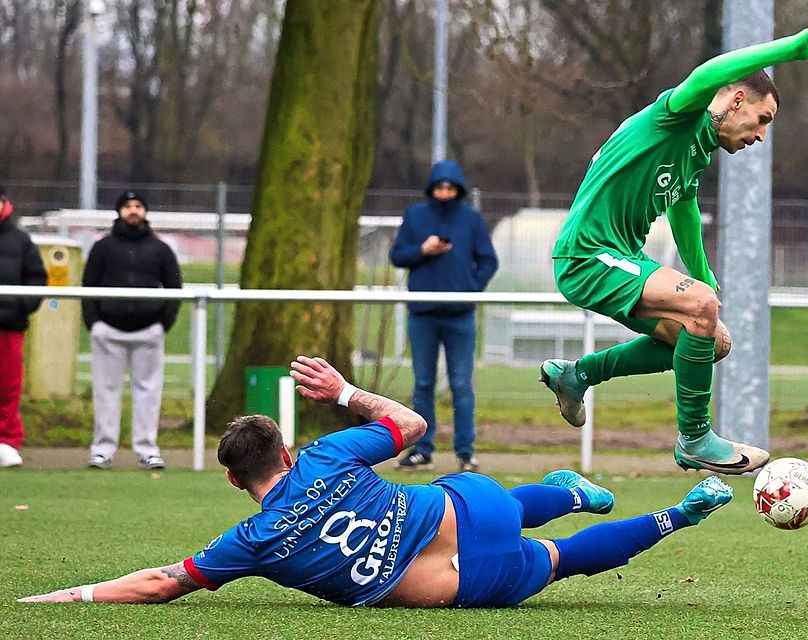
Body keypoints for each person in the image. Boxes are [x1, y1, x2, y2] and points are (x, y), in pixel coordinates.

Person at [18, 355, 733, 608]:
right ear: (291, 452)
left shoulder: (254, 540)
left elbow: (161, 582)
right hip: (462, 507)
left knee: (559, 562)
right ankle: (574, 493)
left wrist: (68, 594)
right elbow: (414, 424)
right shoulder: (326, 458)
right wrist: (345, 392)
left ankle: (683, 513)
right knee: (502, 504)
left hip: (459, 587)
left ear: (236, 483)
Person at [540, 8, 808, 475]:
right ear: (738, 98)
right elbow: (710, 71)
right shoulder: (677, 116)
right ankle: (696, 439)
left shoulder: (696, 146)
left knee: (711, 339)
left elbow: (683, 205)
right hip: (587, 255)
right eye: (762, 119)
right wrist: (795, 46)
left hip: (617, 257)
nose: (762, 136)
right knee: (700, 309)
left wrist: (702, 276)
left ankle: (577, 375)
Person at [389, 160, 498, 472]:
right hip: (422, 314)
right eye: (439, 187)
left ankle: (465, 453)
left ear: (458, 189)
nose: (445, 192)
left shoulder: (471, 220)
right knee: (423, 383)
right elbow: (398, 256)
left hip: (460, 316)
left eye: (450, 187)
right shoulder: (415, 216)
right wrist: (423, 250)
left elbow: (488, 260)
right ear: (431, 188)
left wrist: (471, 289)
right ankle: (422, 449)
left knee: (461, 385)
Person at [82, 191, 182, 470]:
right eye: (127, 206)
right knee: (105, 391)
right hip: (108, 332)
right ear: (119, 211)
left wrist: (161, 325)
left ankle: (147, 449)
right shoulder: (103, 248)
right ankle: (102, 450)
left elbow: (175, 289)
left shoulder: (161, 249)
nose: (133, 210)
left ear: (145, 211)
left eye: (138, 205)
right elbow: (87, 287)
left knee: (148, 393)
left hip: (148, 332)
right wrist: (95, 324)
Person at [0, 187, 47, 468]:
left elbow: (36, 279)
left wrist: (20, 307)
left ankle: (7, 441)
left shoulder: (20, 240)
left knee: (7, 386)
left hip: (9, 326)